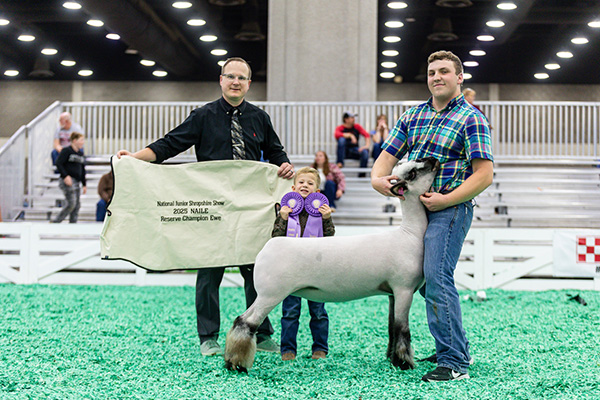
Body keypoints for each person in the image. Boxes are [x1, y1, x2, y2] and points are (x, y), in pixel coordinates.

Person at [116, 57, 294, 357]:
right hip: (214, 206)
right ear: (221, 80)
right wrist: (135, 157)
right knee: (210, 270)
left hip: (250, 208)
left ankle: (260, 331)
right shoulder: (202, 115)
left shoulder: (260, 118)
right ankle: (208, 336)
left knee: (256, 271)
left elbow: (276, 152)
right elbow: (169, 144)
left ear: (249, 84)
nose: (235, 82)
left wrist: (285, 165)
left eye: (241, 78)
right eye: (230, 76)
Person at [371, 50, 493, 382]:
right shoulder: (413, 115)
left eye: (444, 71)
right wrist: (377, 179)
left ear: (459, 77)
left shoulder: (471, 118)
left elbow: (484, 175)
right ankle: (455, 349)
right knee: (426, 280)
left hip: (451, 208)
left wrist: (446, 199)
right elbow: (386, 157)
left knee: (436, 277)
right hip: (418, 212)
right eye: (431, 72)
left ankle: (454, 363)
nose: (436, 77)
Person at [272, 167, 334, 361]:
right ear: (293, 187)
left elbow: (330, 239)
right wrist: (282, 217)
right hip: (291, 270)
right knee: (290, 312)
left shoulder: (321, 211)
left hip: (316, 270)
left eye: (310, 183)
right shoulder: (286, 209)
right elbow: (276, 238)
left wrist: (327, 219)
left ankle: (320, 348)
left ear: (317, 190)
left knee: (318, 312)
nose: (305, 185)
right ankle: (288, 349)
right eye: (301, 182)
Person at [52, 132, 87, 223]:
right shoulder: (66, 151)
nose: (83, 142)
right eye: (81, 140)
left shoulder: (80, 153)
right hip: (68, 180)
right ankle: (56, 222)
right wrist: (65, 176)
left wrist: (84, 184)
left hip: (77, 181)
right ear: (74, 141)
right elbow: (59, 163)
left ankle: (73, 224)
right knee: (71, 203)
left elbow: (82, 169)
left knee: (77, 205)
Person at [334, 111, 370, 176]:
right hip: (344, 152)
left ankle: (362, 175)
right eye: (352, 118)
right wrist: (350, 135)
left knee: (365, 152)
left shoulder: (357, 126)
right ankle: (340, 162)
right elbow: (336, 134)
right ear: (346, 119)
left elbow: (367, 135)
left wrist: (366, 146)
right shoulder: (340, 128)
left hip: (354, 150)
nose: (354, 119)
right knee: (341, 140)